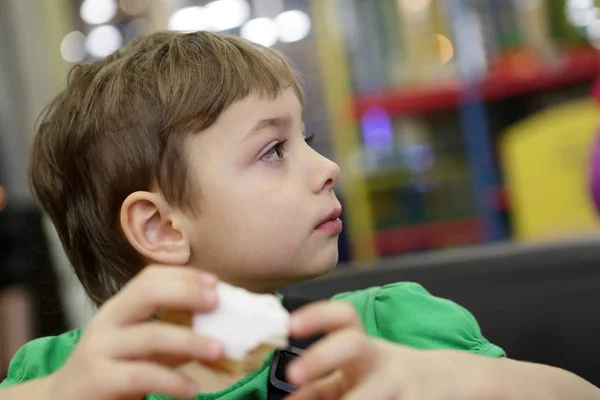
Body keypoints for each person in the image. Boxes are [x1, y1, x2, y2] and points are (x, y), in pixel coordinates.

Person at [0, 31, 598, 400]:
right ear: (161, 227)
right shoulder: (53, 374)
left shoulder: (387, 332)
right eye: (272, 151)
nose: (327, 168)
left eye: (306, 137)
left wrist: (458, 381)